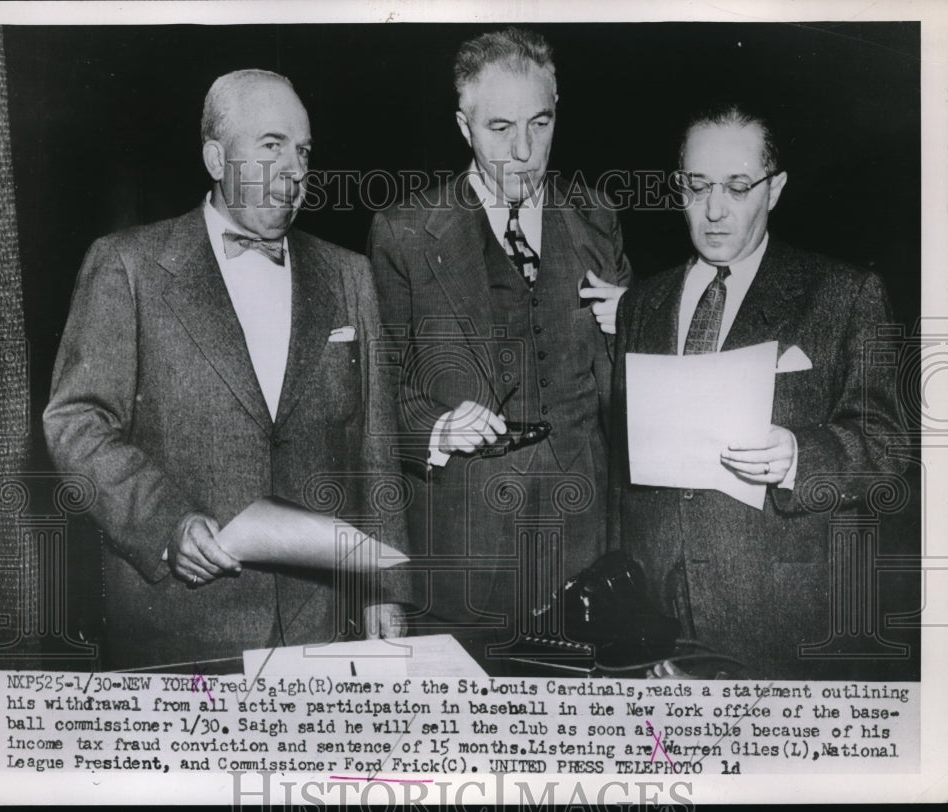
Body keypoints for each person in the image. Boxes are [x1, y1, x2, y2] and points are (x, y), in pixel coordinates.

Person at [44, 69, 407, 669]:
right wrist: (166, 526)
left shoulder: (349, 275)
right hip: (178, 630)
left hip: (320, 625)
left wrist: (383, 587)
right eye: (272, 145)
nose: (295, 169)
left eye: (304, 151)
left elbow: (375, 444)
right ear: (217, 158)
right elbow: (76, 422)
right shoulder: (126, 267)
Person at [613, 102, 904, 678]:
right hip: (655, 621)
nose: (714, 210)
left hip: (779, 623)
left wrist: (802, 455)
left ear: (774, 190)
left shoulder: (844, 294)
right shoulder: (643, 303)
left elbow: (889, 445)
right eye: (697, 186)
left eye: (738, 187)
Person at [368, 28, 632, 634]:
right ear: (464, 126)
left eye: (540, 124)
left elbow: (624, 395)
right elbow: (376, 396)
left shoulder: (597, 217)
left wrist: (633, 328)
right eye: (499, 128)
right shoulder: (405, 231)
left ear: (557, 110)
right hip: (464, 553)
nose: (523, 151)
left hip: (585, 542)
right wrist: (435, 427)